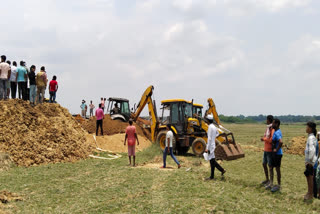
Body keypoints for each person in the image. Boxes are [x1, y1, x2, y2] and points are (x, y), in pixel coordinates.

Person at [205, 114, 226, 180]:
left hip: (210, 146)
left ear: (208, 121)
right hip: (213, 145)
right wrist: (215, 137)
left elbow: (209, 139)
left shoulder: (210, 127)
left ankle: (214, 175)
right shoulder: (214, 127)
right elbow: (217, 134)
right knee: (212, 161)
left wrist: (207, 148)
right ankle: (219, 172)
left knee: (212, 161)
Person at [267, 118, 283, 192]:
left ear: (276, 124)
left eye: (273, 123)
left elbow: (281, 142)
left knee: (277, 169)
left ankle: (279, 185)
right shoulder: (276, 131)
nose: (272, 124)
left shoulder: (277, 133)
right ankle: (271, 184)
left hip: (277, 154)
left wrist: (276, 149)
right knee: (271, 167)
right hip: (274, 154)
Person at [304, 122, 318, 201]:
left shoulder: (311, 138)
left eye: (307, 127)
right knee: (309, 177)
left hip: (310, 162)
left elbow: (312, 150)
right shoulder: (311, 137)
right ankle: (309, 192)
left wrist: (310, 162)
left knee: (310, 178)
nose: (306, 128)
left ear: (310, 129)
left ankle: (310, 194)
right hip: (310, 161)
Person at [260, 115, 274, 186]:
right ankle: (267, 179)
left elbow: (271, 140)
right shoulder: (268, 128)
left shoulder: (272, 129)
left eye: (267, 120)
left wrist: (264, 139)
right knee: (264, 164)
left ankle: (271, 182)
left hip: (270, 150)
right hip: (266, 149)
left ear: (269, 120)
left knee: (270, 166)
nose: (266, 121)